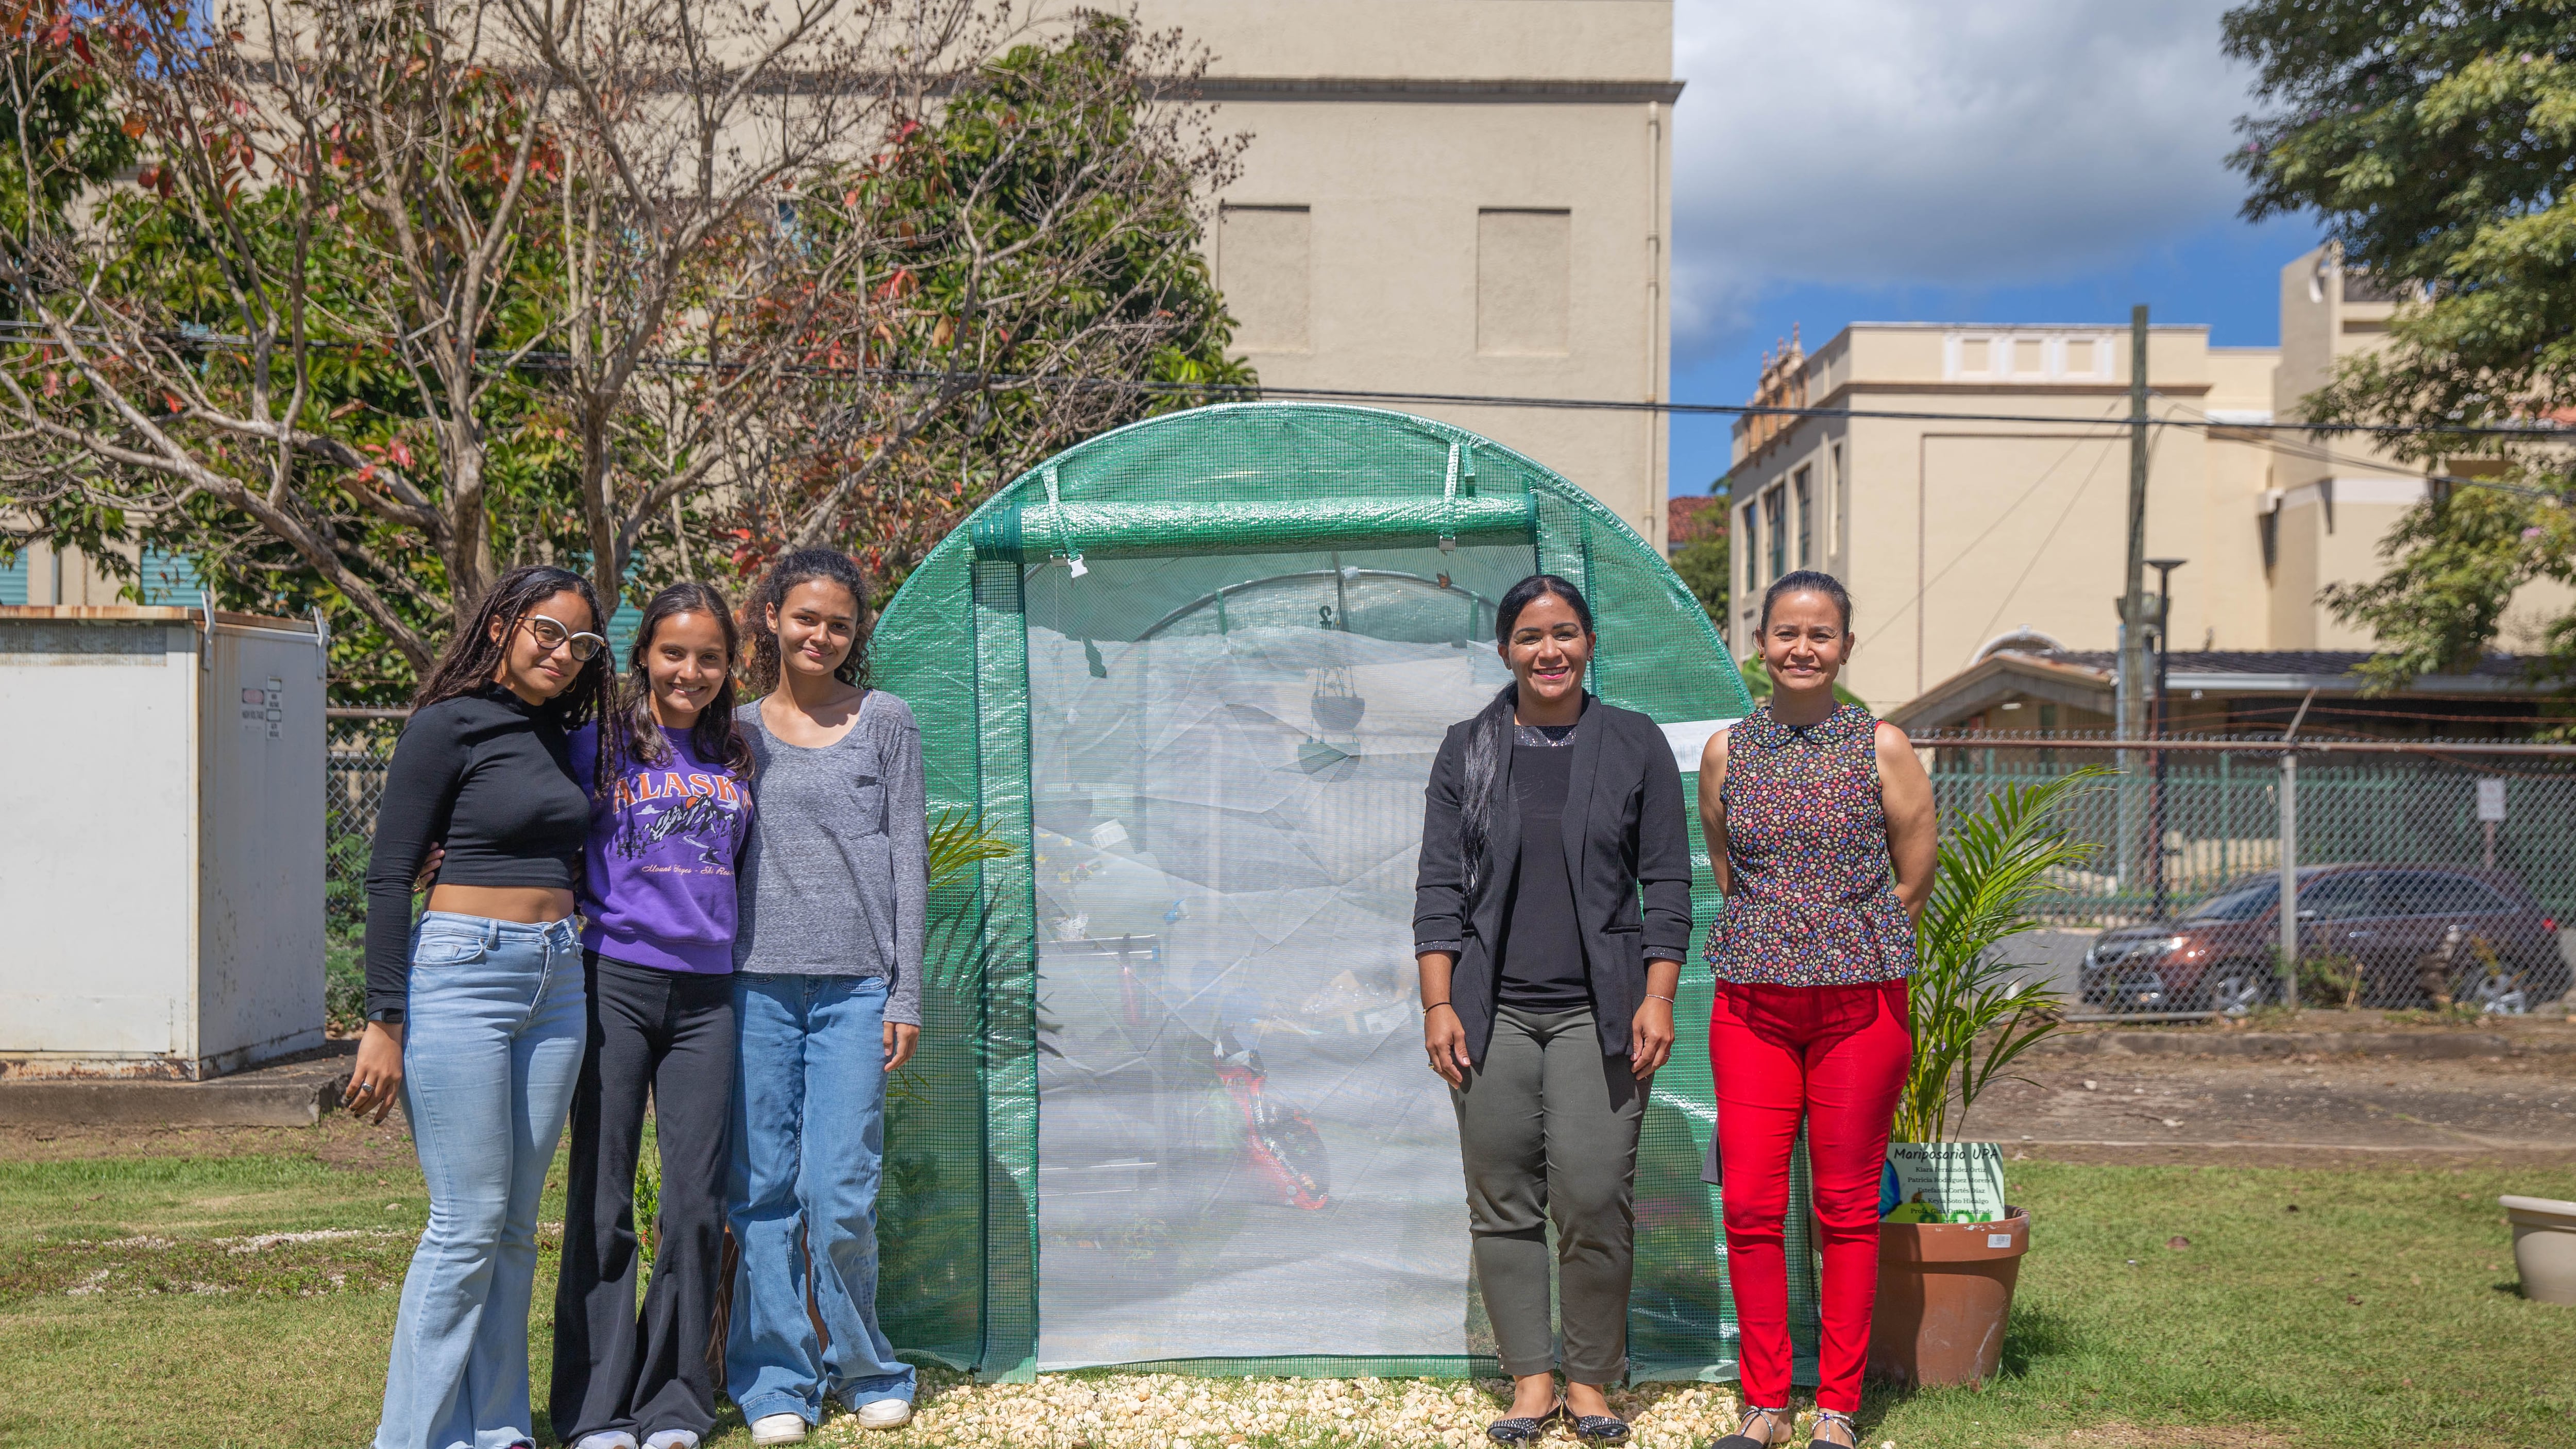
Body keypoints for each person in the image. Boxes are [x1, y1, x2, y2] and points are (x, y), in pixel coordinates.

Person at [1412, 573, 1693, 1447]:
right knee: (1500, 1199)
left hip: (1598, 1015)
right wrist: (1436, 1002)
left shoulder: (1633, 743)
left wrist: (1656, 995)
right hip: (1489, 1014)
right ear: (1504, 650)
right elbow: (1437, 887)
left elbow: (1669, 882)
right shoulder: (1469, 748)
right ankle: (1532, 1379)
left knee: (1595, 1195)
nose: (1550, 650)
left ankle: (1591, 1379)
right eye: (1531, 636)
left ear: (1590, 643)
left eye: (1565, 632)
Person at [348, 564, 610, 1449]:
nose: (564, 655)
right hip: (463, 972)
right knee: (464, 1223)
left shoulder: (560, 732)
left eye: (582, 644)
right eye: (548, 631)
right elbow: (388, 876)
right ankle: (408, 1437)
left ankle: (498, 1430)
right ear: (501, 622)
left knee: (510, 1231)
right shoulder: (443, 724)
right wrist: (385, 1019)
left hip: (557, 980)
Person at [1699, 570, 1936, 1449]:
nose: (1803, 647)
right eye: (1786, 632)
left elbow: (1915, 869)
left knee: (1845, 1208)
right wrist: (1782, 936)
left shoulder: (1883, 745)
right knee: (1752, 1208)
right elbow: (1729, 867)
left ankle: (1835, 1407)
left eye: (1821, 633)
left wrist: (1846, 943)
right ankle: (1766, 1403)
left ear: (1844, 647)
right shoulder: (1729, 750)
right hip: (1752, 1009)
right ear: (1759, 644)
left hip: (1860, 1012)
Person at [726, 548, 926, 1447]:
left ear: (857, 634)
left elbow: (909, 862)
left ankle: (869, 1366)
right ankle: (776, 1383)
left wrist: (904, 991)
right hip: (752, 986)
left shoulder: (886, 721)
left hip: (856, 989)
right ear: (771, 615)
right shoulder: (730, 730)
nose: (820, 634)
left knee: (838, 1187)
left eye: (839, 623)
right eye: (805, 616)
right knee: (761, 1189)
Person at [551, 583, 757, 1449]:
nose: (691, 670)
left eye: (710, 656)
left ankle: (676, 1401)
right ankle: (597, 1409)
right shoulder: (596, 745)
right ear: (643, 656)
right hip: (614, 983)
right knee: (602, 1197)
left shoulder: (740, 754)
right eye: (675, 652)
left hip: (707, 997)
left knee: (695, 1204)